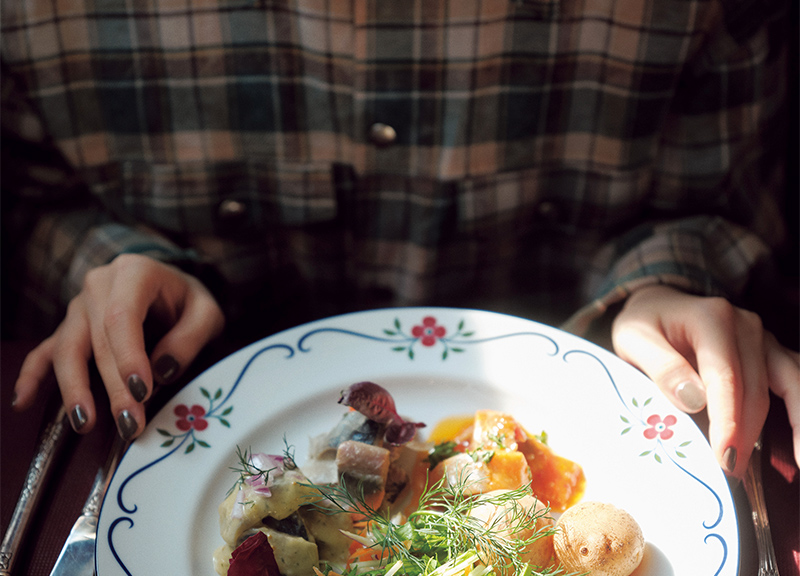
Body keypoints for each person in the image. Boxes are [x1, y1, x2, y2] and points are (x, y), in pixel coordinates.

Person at [3, 0, 798, 478]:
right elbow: (24, 205)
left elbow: (726, 193)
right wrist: (110, 269)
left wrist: (662, 281)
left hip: (592, 401)